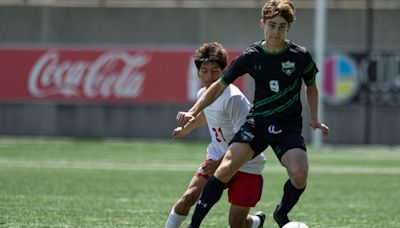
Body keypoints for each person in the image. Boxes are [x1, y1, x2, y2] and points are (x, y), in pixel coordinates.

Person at [178, 1, 330, 228]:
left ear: (289, 28)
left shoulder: (300, 56)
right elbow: (218, 86)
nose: (276, 31)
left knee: (299, 175)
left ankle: (281, 213)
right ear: (262, 24)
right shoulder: (251, 55)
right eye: (271, 25)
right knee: (225, 168)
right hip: (257, 123)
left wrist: (315, 118)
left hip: (287, 127)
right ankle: (194, 224)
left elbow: (311, 87)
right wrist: (193, 111)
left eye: (281, 26)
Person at [165, 42, 267, 228]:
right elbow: (207, 115)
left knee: (236, 224)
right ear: (198, 72)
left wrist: (220, 163)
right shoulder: (203, 94)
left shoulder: (233, 98)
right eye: (204, 71)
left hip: (247, 164)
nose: (209, 76)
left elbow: (248, 140)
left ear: (224, 72)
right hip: (215, 157)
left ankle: (256, 222)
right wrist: (185, 129)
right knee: (188, 197)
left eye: (214, 71)